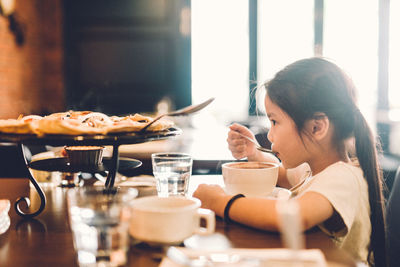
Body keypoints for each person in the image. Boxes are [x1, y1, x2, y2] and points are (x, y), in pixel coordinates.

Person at [193, 57, 387, 266]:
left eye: (275, 121)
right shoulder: (313, 170)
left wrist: (220, 202)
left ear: (317, 128)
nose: (270, 135)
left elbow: (294, 216)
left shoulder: (343, 178)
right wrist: (254, 153)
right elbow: (282, 175)